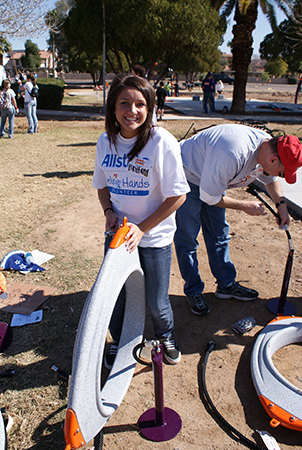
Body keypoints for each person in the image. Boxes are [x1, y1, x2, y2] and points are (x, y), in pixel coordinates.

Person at [92, 74, 190, 367]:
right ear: (113, 108)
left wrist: (142, 227)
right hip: (119, 236)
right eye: (124, 103)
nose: (131, 111)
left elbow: (178, 196)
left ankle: (164, 335)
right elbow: (102, 184)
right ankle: (121, 341)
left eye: (139, 104)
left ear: (150, 109)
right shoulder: (105, 141)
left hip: (154, 237)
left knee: (156, 301)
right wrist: (108, 211)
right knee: (117, 298)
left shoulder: (162, 142)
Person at [174, 124, 302, 315]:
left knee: (219, 234)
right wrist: (244, 206)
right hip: (187, 175)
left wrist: (281, 205)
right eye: (282, 172)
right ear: (273, 159)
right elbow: (210, 197)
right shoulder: (232, 152)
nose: (280, 177)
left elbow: (270, 179)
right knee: (187, 238)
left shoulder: (266, 148)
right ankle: (193, 290)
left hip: (213, 178)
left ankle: (226, 285)